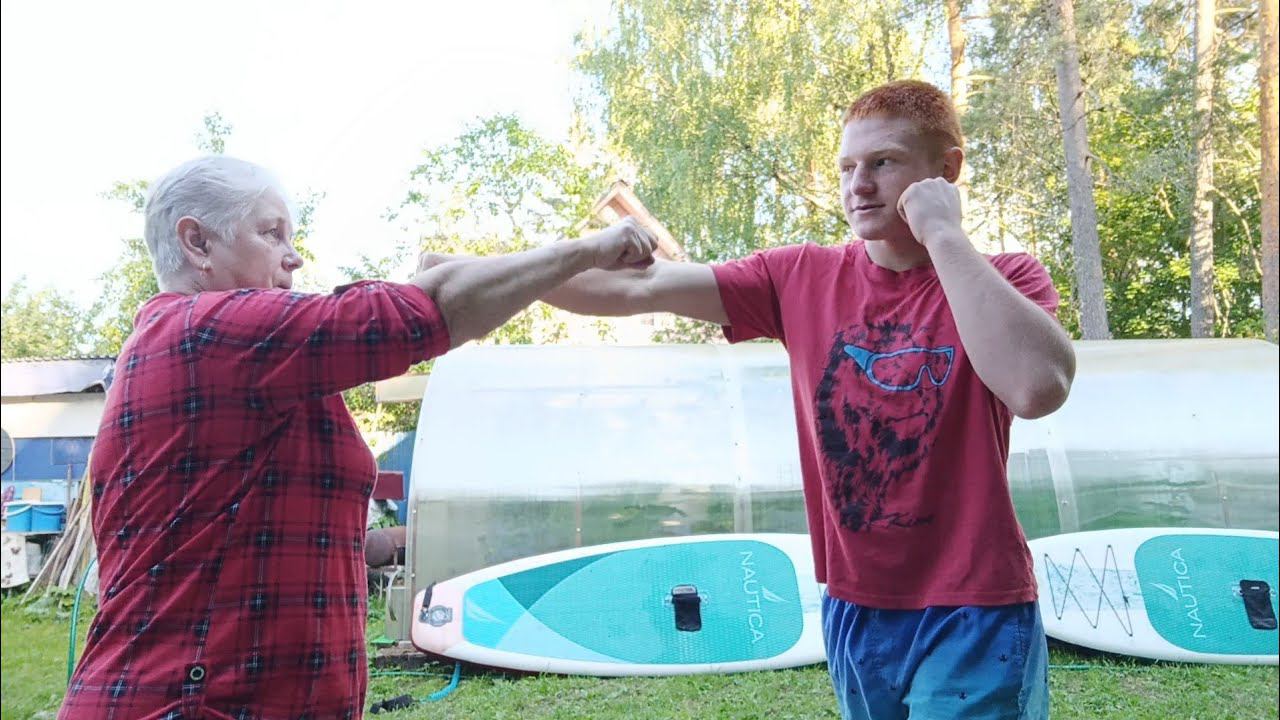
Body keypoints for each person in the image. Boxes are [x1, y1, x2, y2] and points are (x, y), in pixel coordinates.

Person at [476, 79, 1072, 719]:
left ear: (945, 170)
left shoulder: (1006, 278)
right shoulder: (799, 276)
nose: (858, 185)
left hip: (975, 605)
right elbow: (634, 289)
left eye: (883, 162)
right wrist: (473, 277)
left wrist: (944, 235)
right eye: (846, 166)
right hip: (853, 604)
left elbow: (1037, 387)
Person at [59, 155, 657, 719]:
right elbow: (419, 313)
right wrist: (588, 249)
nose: (294, 257)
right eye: (271, 233)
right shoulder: (205, 331)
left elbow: (261, 533)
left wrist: (391, 544)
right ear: (198, 243)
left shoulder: (236, 362)